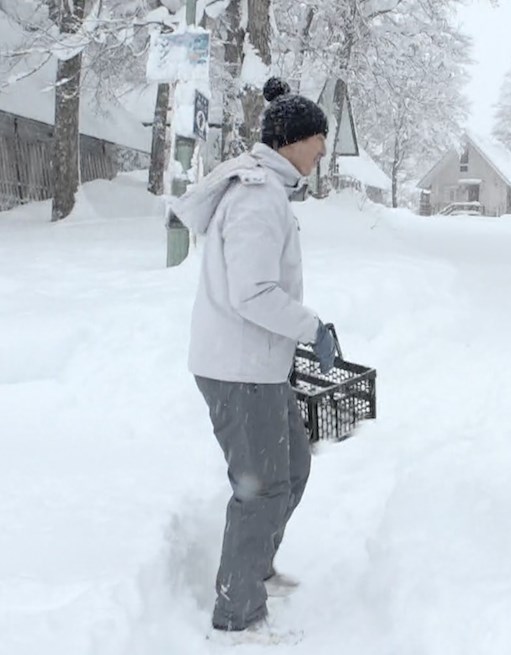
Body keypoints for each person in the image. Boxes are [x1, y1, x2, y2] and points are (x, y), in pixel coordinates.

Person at [171, 77, 339, 632]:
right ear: (295, 138)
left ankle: (254, 568)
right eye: (320, 138)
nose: (323, 150)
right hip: (238, 367)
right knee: (262, 485)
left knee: (292, 466)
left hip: (257, 364)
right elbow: (252, 292)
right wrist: (311, 325)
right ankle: (238, 610)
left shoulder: (268, 189)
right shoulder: (257, 195)